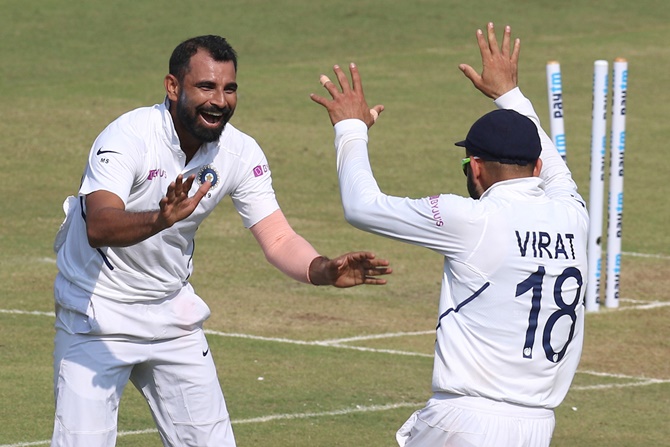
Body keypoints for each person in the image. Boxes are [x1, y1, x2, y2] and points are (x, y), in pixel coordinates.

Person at [51, 34, 391, 447]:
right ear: (173, 87)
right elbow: (99, 225)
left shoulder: (239, 152)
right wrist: (161, 218)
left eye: (229, 89)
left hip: (171, 315)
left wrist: (323, 269)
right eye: (206, 87)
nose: (220, 100)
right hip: (95, 316)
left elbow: (278, 236)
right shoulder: (129, 136)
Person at [311, 23, 588, 447]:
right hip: (536, 426)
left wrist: (351, 128)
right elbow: (552, 165)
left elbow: (361, 206)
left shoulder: (472, 219)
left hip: (465, 422)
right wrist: (509, 94)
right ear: (535, 169)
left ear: (475, 167)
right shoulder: (574, 214)